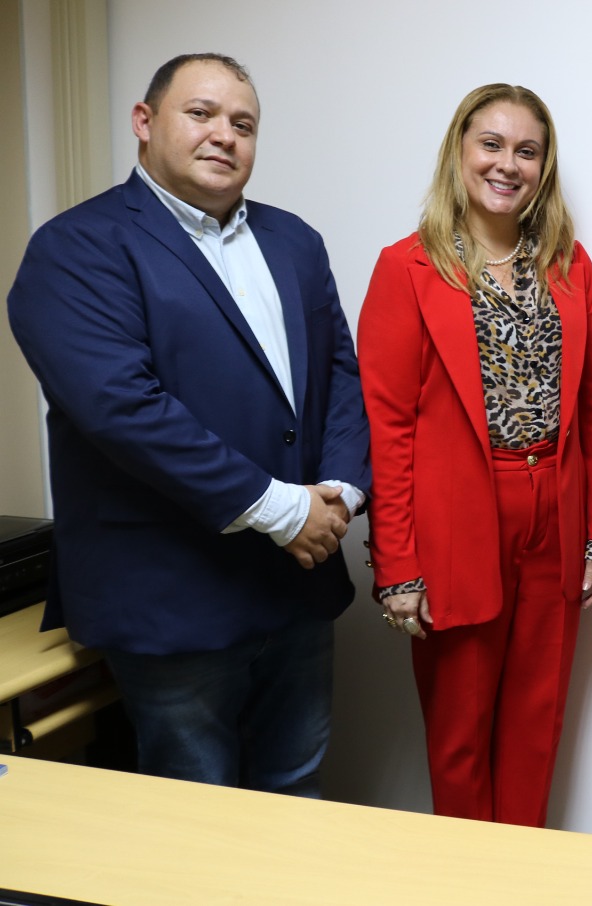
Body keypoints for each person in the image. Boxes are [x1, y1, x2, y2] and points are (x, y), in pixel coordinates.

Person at [7, 53, 369, 795]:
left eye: (244, 124)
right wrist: (284, 510)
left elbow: (340, 376)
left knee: (297, 790)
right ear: (144, 122)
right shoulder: (76, 248)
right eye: (201, 113)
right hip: (171, 597)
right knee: (192, 813)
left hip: (297, 583)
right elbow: (123, 409)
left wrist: (339, 491)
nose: (224, 135)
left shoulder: (295, 241)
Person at [358, 83, 592, 827]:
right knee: (460, 738)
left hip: (555, 514)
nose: (508, 164)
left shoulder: (569, 266)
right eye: (492, 144)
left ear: (544, 167)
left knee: (536, 728)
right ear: (460, 151)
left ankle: (522, 875)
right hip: (457, 522)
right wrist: (398, 566)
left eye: (527, 151)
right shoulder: (408, 267)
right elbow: (387, 427)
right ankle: (466, 879)